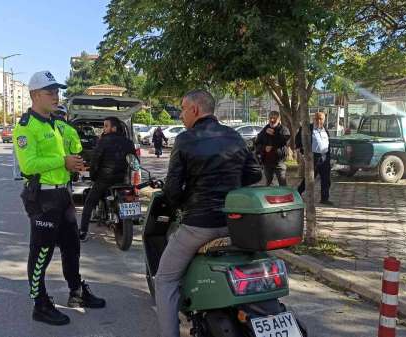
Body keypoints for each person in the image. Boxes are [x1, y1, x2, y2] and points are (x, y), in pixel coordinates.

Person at [156, 89, 262, 337]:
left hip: (199, 225)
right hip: (235, 224)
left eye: (182, 109)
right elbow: (255, 173)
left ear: (195, 109)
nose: (181, 115)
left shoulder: (185, 139)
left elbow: (171, 189)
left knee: (165, 280)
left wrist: (183, 203)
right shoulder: (234, 136)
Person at [14, 70, 105, 326]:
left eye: (57, 91)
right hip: (42, 198)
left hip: (63, 194)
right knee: (41, 252)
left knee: (71, 247)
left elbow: (68, 153)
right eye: (50, 92)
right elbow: (29, 165)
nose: (56, 96)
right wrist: (61, 160)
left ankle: (76, 292)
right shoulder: (25, 127)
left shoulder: (56, 124)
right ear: (34, 95)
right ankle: (40, 304)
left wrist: (74, 163)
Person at [79, 116, 136, 241]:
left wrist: (93, 176)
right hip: (122, 179)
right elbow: (133, 161)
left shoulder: (103, 141)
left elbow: (95, 160)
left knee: (89, 203)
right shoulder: (129, 142)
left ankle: (83, 232)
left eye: (106, 126)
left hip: (104, 179)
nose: (103, 129)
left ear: (113, 128)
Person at [296, 111, 333, 205]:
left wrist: (329, 157)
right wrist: (304, 153)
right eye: (316, 118)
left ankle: (324, 199)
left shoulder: (325, 129)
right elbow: (298, 141)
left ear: (324, 120)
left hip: (325, 158)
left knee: (326, 180)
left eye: (321, 119)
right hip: (313, 158)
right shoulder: (307, 128)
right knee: (309, 179)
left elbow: (328, 144)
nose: (318, 120)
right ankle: (297, 193)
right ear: (313, 119)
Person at [253, 110, 290, 186]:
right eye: (270, 118)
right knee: (268, 184)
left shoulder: (283, 129)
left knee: (282, 183)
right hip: (267, 162)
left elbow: (284, 140)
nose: (272, 120)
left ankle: (284, 197)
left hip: (279, 162)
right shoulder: (265, 129)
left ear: (279, 120)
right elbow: (257, 144)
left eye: (274, 118)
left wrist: (274, 134)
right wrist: (264, 148)